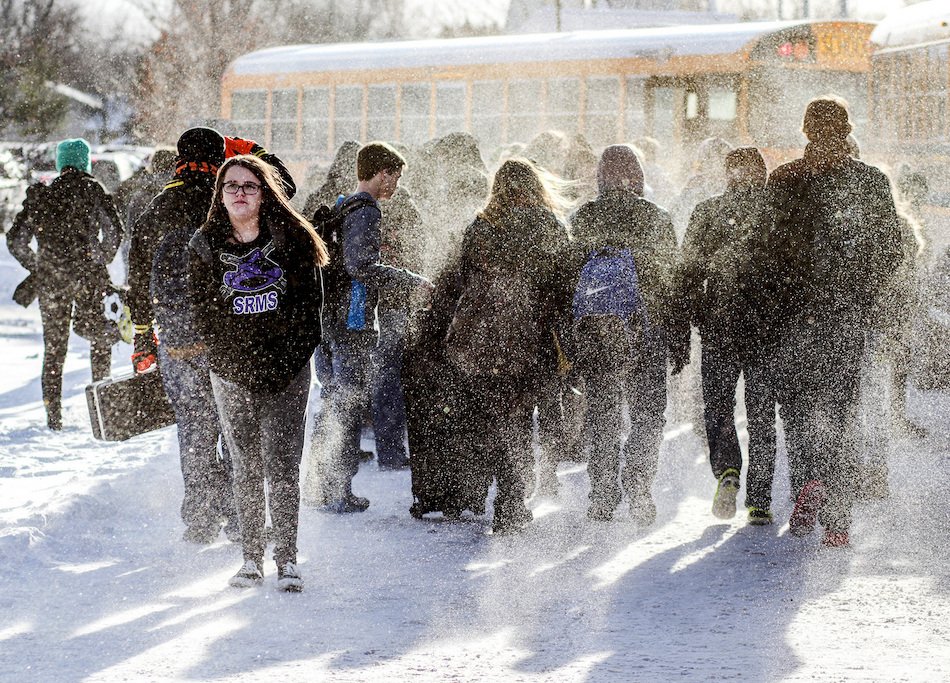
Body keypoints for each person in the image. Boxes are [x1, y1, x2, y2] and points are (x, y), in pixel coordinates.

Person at [759, 97, 902, 548]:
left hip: (793, 318)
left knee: (799, 411)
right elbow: (891, 252)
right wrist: (864, 296)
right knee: (840, 413)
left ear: (805, 131)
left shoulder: (784, 179)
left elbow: (763, 252)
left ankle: (806, 487)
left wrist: (772, 306)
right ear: (846, 129)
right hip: (846, 317)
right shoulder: (871, 181)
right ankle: (838, 516)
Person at [189, 154, 326, 591]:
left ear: (265, 192)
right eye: (232, 186)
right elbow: (204, 315)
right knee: (245, 465)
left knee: (283, 466)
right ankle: (250, 559)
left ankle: (287, 560)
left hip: (287, 371)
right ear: (220, 195)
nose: (241, 193)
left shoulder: (294, 239)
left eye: (249, 186)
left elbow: (310, 311)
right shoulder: (206, 243)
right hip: (232, 373)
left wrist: (283, 364)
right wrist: (231, 364)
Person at [442, 158, 574, 532]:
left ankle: (491, 492)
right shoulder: (547, 224)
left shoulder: (481, 226)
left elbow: (462, 277)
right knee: (519, 417)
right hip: (532, 340)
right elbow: (564, 283)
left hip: (483, 341)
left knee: (495, 417)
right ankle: (512, 501)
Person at [126, 127, 240, 544]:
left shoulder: (156, 209)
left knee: (194, 429)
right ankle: (238, 515)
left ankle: (199, 518)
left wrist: (142, 337)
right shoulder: (228, 204)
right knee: (234, 427)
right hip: (227, 339)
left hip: (175, 340)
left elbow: (137, 283)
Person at [307, 141, 432, 513]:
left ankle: (320, 484)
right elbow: (360, 266)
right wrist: (412, 280)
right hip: (352, 321)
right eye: (395, 176)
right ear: (382, 172)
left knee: (334, 403)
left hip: (329, 317)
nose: (396, 185)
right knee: (347, 404)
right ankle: (337, 491)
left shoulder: (344, 204)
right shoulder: (367, 211)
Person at [570, 145, 688, 524]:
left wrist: (568, 341)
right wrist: (680, 337)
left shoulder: (584, 217)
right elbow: (674, 282)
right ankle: (639, 482)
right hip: (646, 327)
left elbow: (570, 280)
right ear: (637, 175)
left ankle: (602, 492)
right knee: (648, 413)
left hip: (598, 331)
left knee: (602, 412)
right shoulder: (656, 217)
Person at [679, 147, 779, 525]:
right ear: (761, 174)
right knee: (761, 414)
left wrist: (683, 327)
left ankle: (727, 471)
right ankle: (760, 499)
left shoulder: (707, 212)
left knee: (719, 407)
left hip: (719, 325)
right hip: (768, 331)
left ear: (727, 175)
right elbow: (794, 273)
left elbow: (686, 274)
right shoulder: (776, 212)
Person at [6, 138, 123, 430]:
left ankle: (54, 417)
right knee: (100, 338)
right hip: (87, 277)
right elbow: (113, 232)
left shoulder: (42, 196)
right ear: (84, 162)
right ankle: (102, 406)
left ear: (61, 163)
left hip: (51, 283)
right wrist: (99, 259)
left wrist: (41, 267)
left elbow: (16, 241)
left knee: (55, 349)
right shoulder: (92, 189)